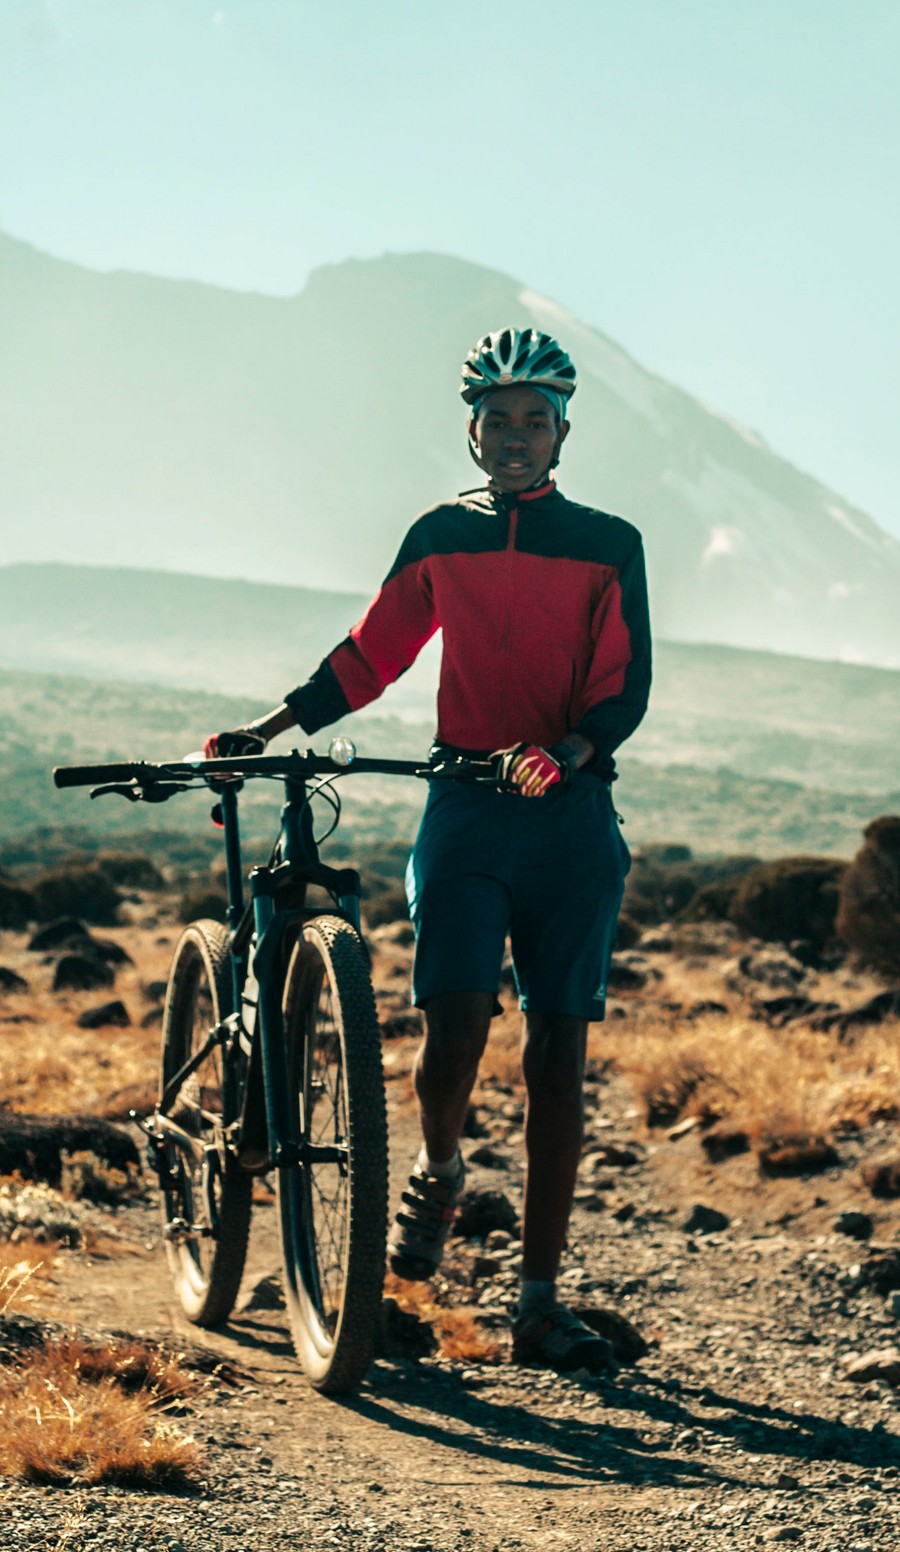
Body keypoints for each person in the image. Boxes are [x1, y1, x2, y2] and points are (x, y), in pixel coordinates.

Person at [203, 326, 650, 1372]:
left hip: (570, 817)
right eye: (497, 420)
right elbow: (371, 656)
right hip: (464, 808)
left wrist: (570, 751)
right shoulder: (437, 537)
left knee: (557, 1061)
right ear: (472, 430)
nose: (514, 437)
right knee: (449, 1035)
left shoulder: (607, 541)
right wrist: (268, 731)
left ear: (563, 433)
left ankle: (537, 1303)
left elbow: (622, 683)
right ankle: (439, 1169)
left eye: (535, 421)